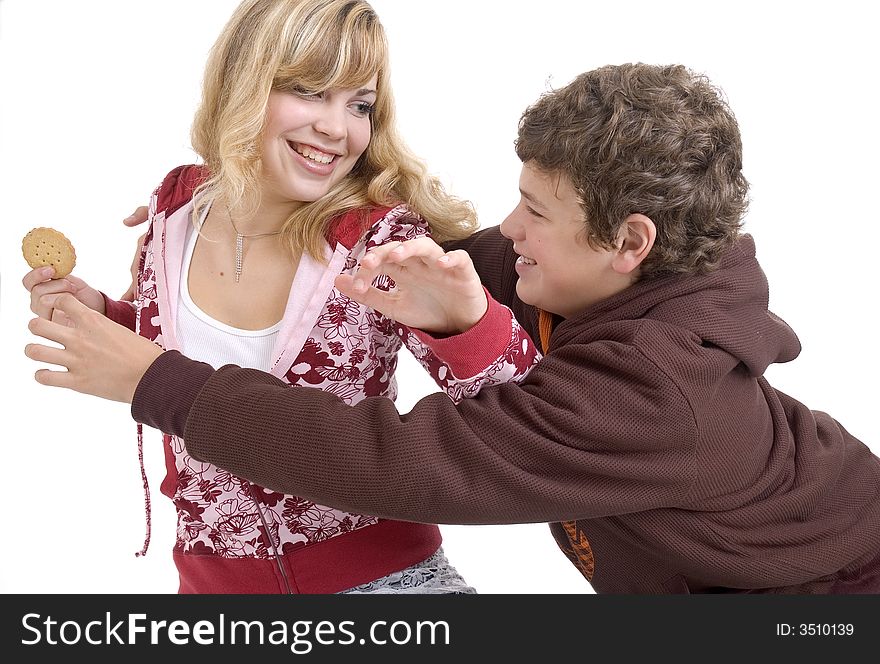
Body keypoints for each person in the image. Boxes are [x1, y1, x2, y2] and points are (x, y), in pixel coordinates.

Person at [26, 63, 880, 593]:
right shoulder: (608, 274)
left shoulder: (659, 397)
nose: (507, 229)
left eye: (535, 211)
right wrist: (228, 217)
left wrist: (154, 382)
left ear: (630, 243)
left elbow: (401, 463)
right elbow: (361, 271)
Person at [21, 0, 540, 594]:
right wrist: (108, 318)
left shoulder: (377, 242)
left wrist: (466, 323)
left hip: (385, 585)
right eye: (311, 91)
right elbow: (183, 369)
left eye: (360, 105)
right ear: (242, 83)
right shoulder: (176, 207)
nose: (337, 128)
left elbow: (527, 429)